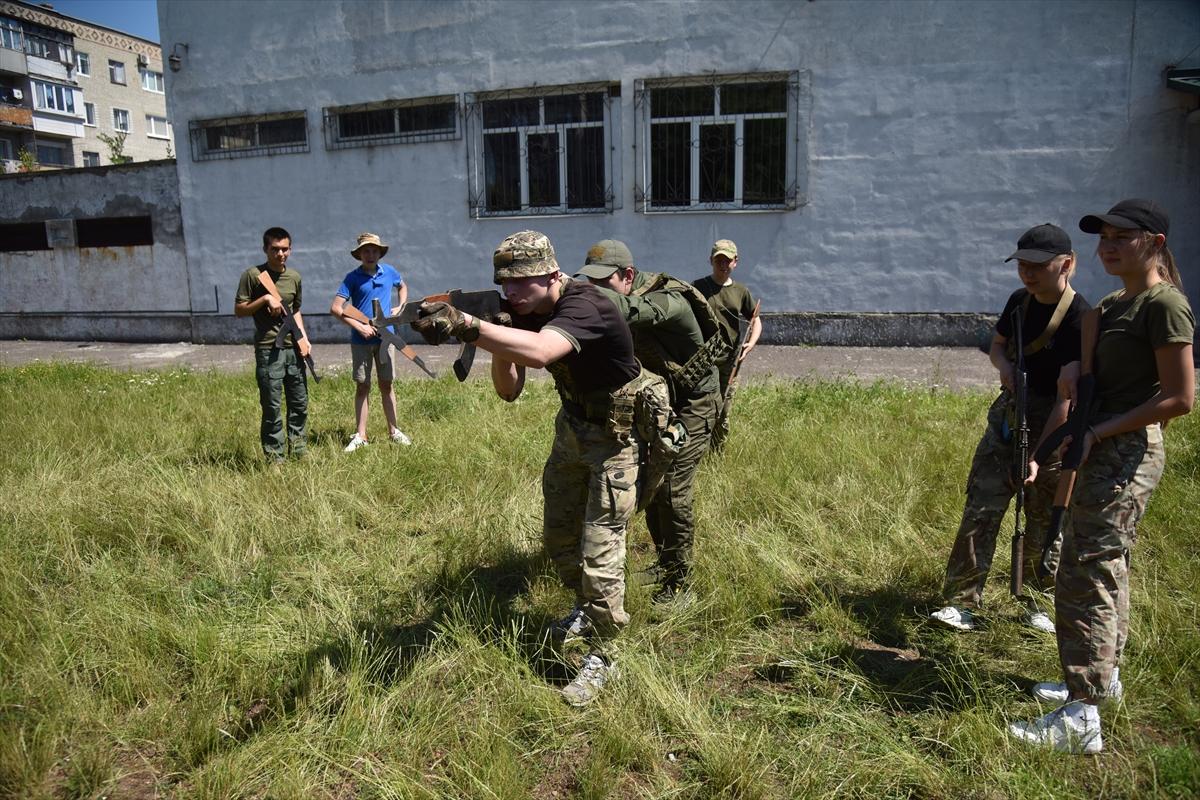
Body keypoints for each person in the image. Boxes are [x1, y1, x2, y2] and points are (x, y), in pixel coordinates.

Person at [411, 230, 667, 707]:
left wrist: (467, 325)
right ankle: (585, 610)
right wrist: (495, 332)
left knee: (601, 550)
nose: (510, 292)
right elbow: (508, 391)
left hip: (616, 439)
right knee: (559, 537)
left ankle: (606, 654)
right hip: (573, 429)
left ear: (551, 274)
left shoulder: (586, 304)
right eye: (503, 284)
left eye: (520, 282)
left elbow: (542, 352)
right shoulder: (526, 310)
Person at [1010, 199, 1193, 754]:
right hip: (1100, 444)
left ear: (1155, 243)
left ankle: (1081, 713)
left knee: (1084, 573)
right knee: (1106, 567)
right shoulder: (1115, 304)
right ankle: (1102, 681)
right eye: (1103, 237)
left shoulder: (1163, 304)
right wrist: (1074, 370)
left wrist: (1099, 431)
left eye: (1122, 237)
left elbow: (1180, 398)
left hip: (1125, 451)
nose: (1108, 246)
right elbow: (1095, 379)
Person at [931, 224, 1090, 634]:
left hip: (1053, 426)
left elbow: (1066, 400)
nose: (1027, 273)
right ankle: (962, 602)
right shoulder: (1019, 301)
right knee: (981, 507)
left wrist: (1038, 456)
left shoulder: (1080, 317)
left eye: (1038, 265)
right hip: (1008, 418)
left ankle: (1038, 603)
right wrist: (1004, 368)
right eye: (1022, 265)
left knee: (1043, 520)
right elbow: (998, 344)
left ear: (1066, 264)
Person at [580, 240, 727, 603]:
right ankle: (665, 564)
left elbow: (628, 312)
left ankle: (680, 584)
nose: (595, 290)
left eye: (603, 282)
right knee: (652, 482)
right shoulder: (619, 292)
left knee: (673, 487)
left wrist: (567, 290)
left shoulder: (668, 299)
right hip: (662, 400)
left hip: (696, 401)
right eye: (590, 282)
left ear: (628, 275)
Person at [234, 226, 311, 463]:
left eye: (285, 249)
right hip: (269, 349)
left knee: (299, 403)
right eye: (275, 249)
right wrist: (265, 298)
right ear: (265, 249)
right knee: (272, 407)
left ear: (290, 249)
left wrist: (303, 338)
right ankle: (275, 458)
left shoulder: (294, 277)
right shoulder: (253, 275)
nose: (280, 254)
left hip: (293, 349)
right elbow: (239, 310)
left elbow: (295, 311)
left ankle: (299, 452)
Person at [331, 232, 412, 452]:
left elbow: (402, 286)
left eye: (374, 250)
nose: (370, 254)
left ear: (379, 253)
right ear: (359, 254)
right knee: (363, 386)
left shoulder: (389, 272)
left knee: (387, 384)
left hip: (386, 338)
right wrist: (359, 326)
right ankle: (361, 435)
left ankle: (394, 431)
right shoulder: (352, 278)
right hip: (361, 341)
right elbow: (336, 308)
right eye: (366, 251)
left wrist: (401, 306)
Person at [692, 238, 763, 451]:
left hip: (729, 363)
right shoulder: (698, 287)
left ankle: (717, 453)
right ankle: (697, 451)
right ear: (711, 261)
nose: (723, 265)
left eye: (727, 261)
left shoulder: (741, 291)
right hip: (703, 361)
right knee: (701, 409)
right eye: (719, 261)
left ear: (735, 262)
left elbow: (755, 320)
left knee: (723, 409)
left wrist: (750, 344)